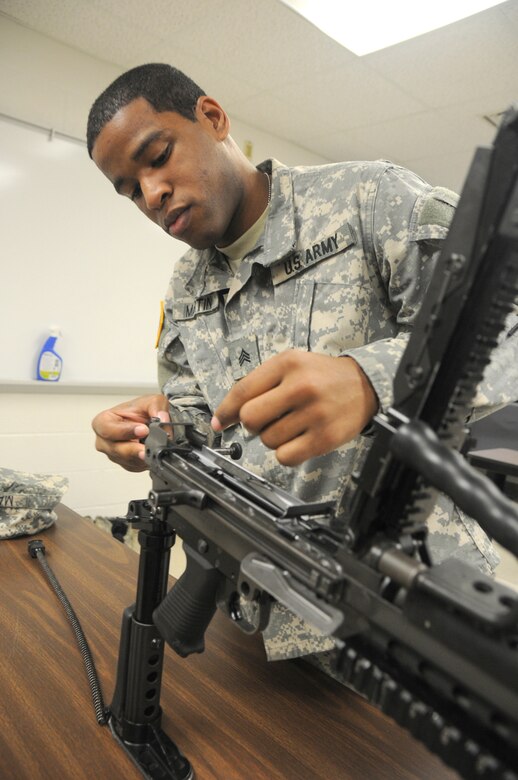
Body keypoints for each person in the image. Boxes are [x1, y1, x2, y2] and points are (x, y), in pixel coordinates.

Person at [87, 63, 517, 664]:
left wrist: (371, 381)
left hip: (402, 619)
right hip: (253, 615)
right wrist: (153, 431)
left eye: (157, 156)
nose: (151, 194)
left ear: (212, 118)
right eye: (130, 190)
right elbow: (198, 415)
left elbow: (507, 331)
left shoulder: (369, 199)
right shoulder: (186, 284)